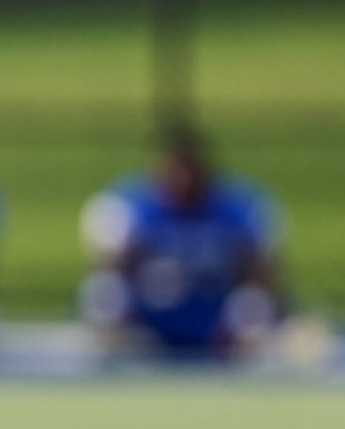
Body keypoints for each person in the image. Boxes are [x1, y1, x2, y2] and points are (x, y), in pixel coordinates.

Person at [78, 128, 284, 358]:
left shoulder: (236, 209)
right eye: (177, 171)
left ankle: (239, 359)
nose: (184, 181)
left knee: (254, 300)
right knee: (105, 289)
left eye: (190, 171)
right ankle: (119, 355)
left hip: (212, 315)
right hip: (148, 320)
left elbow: (260, 271)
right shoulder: (132, 207)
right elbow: (111, 268)